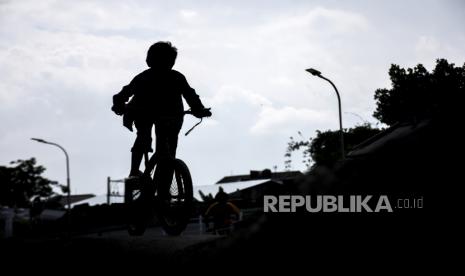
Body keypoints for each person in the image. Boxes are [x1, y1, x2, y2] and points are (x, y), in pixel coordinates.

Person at [111, 41, 211, 177]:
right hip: (148, 115)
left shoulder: (163, 77)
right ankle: (135, 171)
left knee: (165, 148)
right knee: (146, 137)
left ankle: (149, 176)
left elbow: (190, 94)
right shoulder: (158, 77)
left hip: (170, 117)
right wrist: (198, 109)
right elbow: (125, 93)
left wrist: (198, 109)